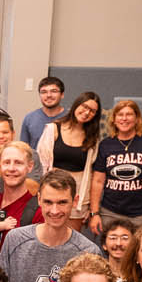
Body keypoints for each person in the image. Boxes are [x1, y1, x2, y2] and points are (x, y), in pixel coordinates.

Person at [0, 168, 103, 282]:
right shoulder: (15, 240)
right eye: (48, 202)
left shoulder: (89, 252)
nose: (54, 211)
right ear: (39, 199)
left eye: (62, 202)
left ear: (75, 201)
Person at [88, 99, 142, 233]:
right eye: (120, 115)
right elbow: (98, 181)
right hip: (110, 213)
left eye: (129, 114)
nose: (124, 119)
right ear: (114, 119)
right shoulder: (106, 145)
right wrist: (94, 213)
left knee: (140, 246)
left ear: (137, 118)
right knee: (113, 246)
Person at [36, 91, 102, 227]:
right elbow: (41, 164)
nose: (87, 112)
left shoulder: (93, 138)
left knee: (72, 237)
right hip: (51, 192)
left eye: (92, 111)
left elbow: (91, 174)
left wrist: (90, 206)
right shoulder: (53, 129)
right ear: (77, 105)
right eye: (85, 106)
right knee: (48, 234)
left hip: (77, 198)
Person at [20, 76, 67, 150]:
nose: (49, 95)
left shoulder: (70, 118)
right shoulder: (29, 118)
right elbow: (23, 148)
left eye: (54, 91)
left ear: (62, 95)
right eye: (44, 92)